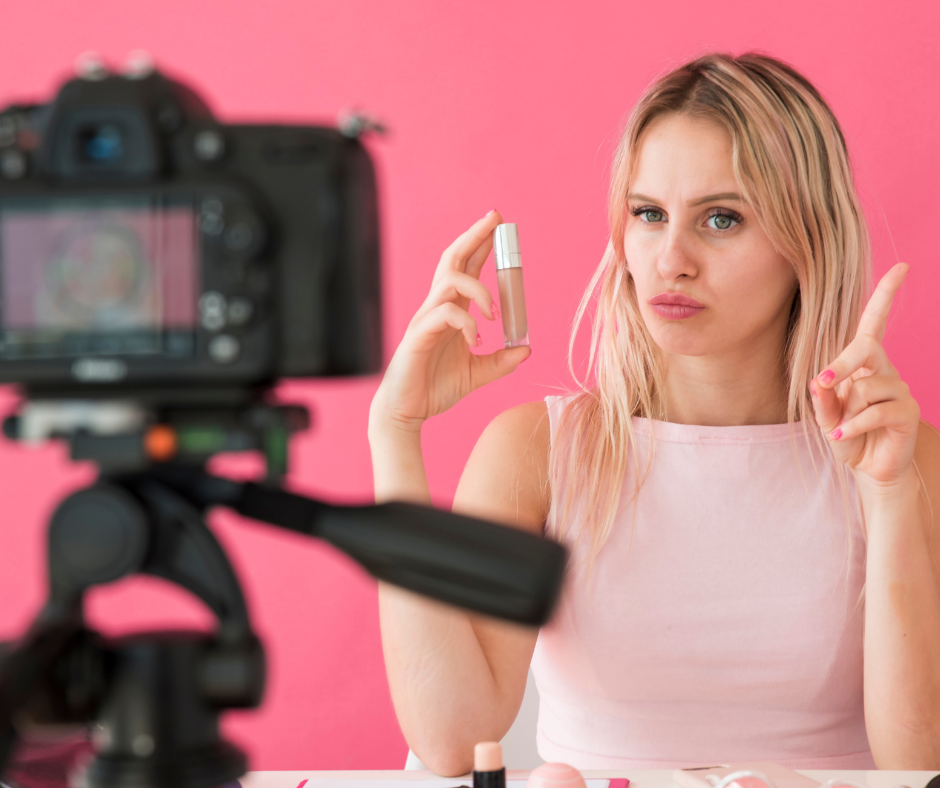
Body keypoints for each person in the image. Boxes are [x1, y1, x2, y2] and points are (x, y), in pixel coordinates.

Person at [368, 52, 940, 775]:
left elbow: (918, 766)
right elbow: (453, 741)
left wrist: (888, 495)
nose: (671, 259)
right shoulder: (534, 452)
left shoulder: (904, 459)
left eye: (722, 219)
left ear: (808, 241)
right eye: (648, 214)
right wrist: (395, 432)